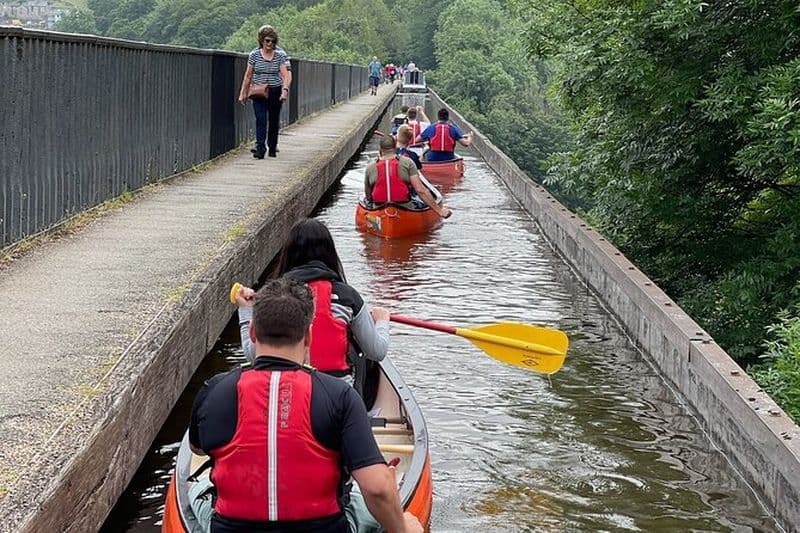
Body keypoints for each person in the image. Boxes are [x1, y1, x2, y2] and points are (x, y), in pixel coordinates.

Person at [189, 277, 423, 533]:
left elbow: (198, 449)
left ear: (253, 332)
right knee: (387, 505)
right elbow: (377, 489)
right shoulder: (340, 395)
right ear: (309, 336)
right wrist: (402, 528)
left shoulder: (214, 390)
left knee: (197, 489)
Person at [234, 219, 390, 390]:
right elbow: (377, 351)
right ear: (330, 254)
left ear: (288, 253)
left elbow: (253, 355)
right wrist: (382, 320)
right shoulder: (348, 298)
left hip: (287, 390)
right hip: (337, 390)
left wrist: (245, 309)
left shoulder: (272, 296)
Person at [238, 25, 292, 159]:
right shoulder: (254, 55)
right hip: (258, 91)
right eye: (267, 40)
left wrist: (285, 90)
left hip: (275, 90)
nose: (270, 44)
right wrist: (243, 92)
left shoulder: (280, 56)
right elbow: (248, 75)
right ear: (261, 40)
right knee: (260, 119)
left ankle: (272, 147)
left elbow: (286, 74)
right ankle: (260, 147)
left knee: (274, 120)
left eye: (273, 41)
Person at [365, 135, 451, 218]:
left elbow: (368, 196)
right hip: (404, 205)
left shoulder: (370, 166)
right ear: (395, 147)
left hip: (378, 207)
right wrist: (439, 211)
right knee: (419, 201)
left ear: (380, 149)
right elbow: (420, 190)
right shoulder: (408, 162)